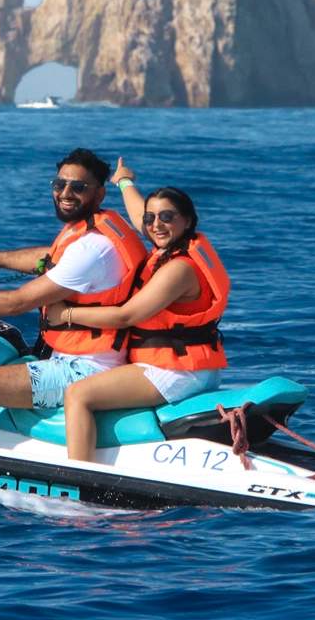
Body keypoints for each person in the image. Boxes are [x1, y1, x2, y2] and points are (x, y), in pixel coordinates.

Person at [0, 148, 146, 441]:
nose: (65, 193)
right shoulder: (95, 230)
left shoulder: (93, 249)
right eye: (59, 185)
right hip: (86, 358)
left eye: (78, 187)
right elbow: (48, 259)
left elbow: (19, 302)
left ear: (99, 195)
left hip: (85, 370)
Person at [43, 158, 231, 462]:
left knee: (79, 394)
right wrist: (124, 180)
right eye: (151, 218)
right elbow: (138, 213)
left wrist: (65, 315)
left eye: (167, 217)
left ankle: (80, 477)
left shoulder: (179, 269)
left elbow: (125, 316)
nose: (156, 225)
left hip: (176, 372)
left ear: (187, 221)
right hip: (191, 366)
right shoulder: (171, 245)